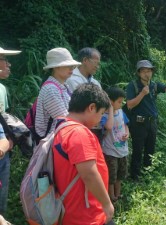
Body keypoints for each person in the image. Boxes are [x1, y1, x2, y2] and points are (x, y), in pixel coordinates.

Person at [52, 83, 114, 224]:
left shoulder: (62, 126)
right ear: (91, 107)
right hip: (87, 215)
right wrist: (106, 203)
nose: (100, 120)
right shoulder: (79, 133)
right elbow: (89, 174)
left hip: (72, 210)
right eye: (101, 113)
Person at [125, 60, 166, 181]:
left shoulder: (154, 85)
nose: (147, 74)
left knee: (150, 148)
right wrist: (142, 93)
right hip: (138, 123)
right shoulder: (132, 85)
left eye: (149, 71)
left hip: (152, 122)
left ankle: (148, 173)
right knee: (138, 150)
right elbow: (129, 104)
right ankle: (135, 177)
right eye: (143, 71)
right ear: (139, 73)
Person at [35, 47, 81, 140]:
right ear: (56, 67)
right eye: (68, 65)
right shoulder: (51, 89)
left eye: (73, 66)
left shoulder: (63, 86)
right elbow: (65, 120)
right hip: (51, 143)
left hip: (59, 139)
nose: (72, 68)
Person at [66, 47, 102, 140]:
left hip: (94, 127)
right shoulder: (71, 79)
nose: (97, 67)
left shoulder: (95, 83)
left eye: (99, 64)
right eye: (95, 63)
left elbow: (101, 103)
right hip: (76, 127)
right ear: (85, 60)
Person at [100, 87, 129, 202]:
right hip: (110, 152)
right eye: (119, 102)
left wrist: (127, 133)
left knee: (120, 175)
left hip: (122, 150)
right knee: (111, 177)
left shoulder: (121, 112)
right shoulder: (104, 116)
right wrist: (111, 110)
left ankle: (118, 194)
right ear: (110, 102)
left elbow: (126, 125)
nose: (121, 104)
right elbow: (109, 127)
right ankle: (111, 198)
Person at [0, 47, 19, 216]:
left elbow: (3, 117)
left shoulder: (2, 89)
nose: (9, 64)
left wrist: (8, 139)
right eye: (4, 59)